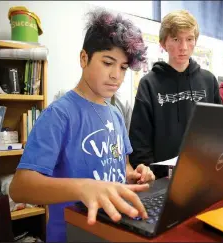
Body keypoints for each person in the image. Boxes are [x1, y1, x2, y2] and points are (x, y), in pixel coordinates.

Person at [9, 9, 155, 242]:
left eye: (123, 67)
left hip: (111, 229)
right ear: (84, 58)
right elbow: (19, 188)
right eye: (108, 62)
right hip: (72, 233)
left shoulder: (116, 114)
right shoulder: (59, 114)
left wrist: (134, 175)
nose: (116, 75)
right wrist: (84, 187)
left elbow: (121, 166)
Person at [129, 10, 222, 179]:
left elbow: (219, 130)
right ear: (163, 43)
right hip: (161, 179)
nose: (183, 47)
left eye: (189, 39)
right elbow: (139, 138)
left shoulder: (209, 81)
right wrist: (149, 173)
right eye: (176, 39)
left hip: (203, 174)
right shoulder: (149, 83)